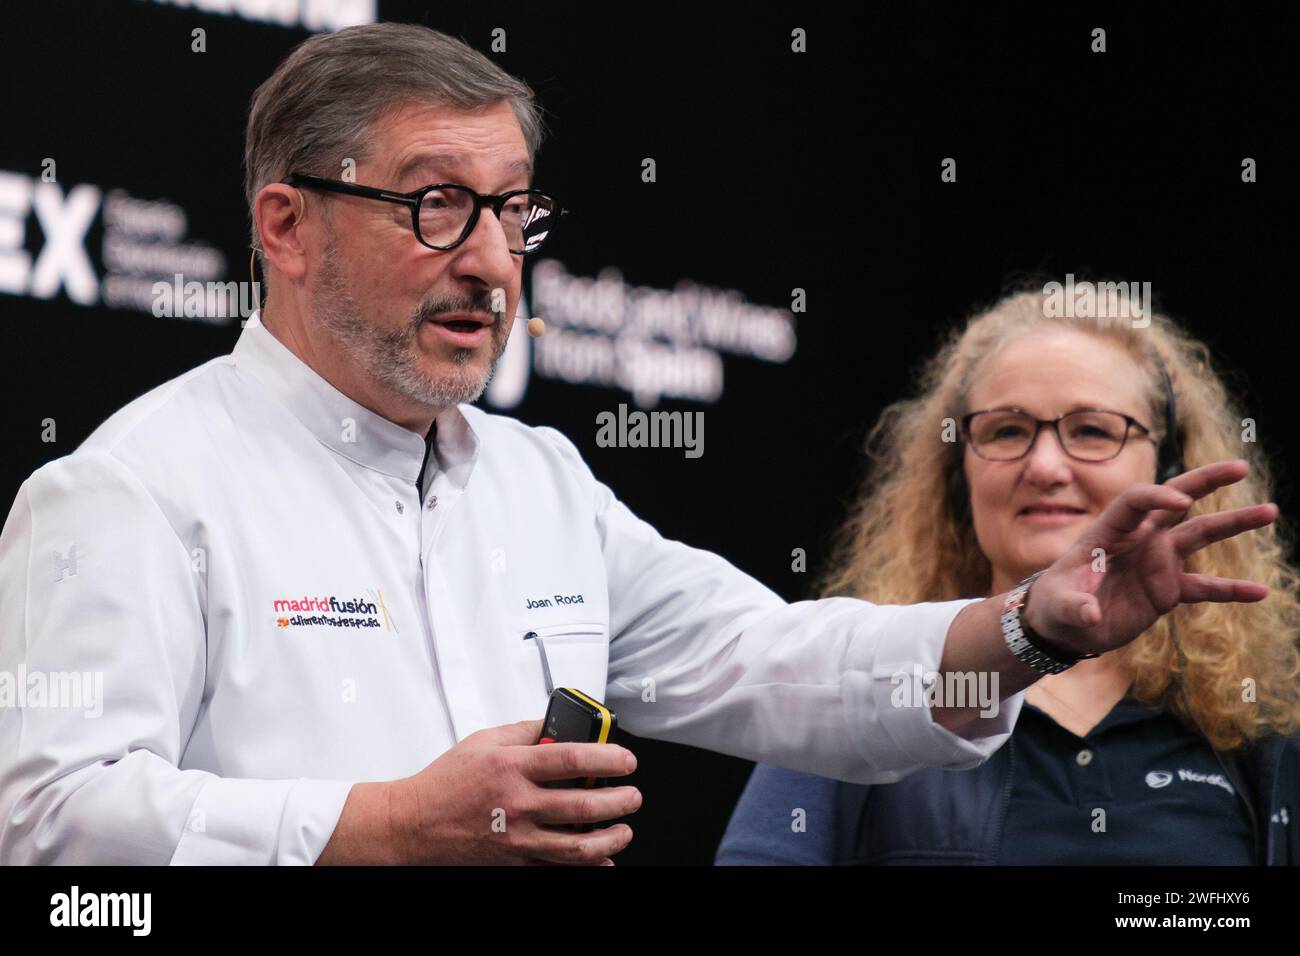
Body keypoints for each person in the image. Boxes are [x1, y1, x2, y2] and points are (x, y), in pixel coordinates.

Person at [0, 25, 1277, 866]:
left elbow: (773, 660)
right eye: (436, 205)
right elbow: (46, 824)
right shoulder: (129, 486)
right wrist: (377, 825)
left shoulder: (539, 480)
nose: (493, 262)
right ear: (285, 224)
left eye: (514, 211)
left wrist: (1030, 628)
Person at [715, 287, 1300, 865]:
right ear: (955, 476)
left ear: (1171, 466)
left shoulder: (1251, 723)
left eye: (1093, 430)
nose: (1045, 466)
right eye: (1006, 431)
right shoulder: (861, 682)